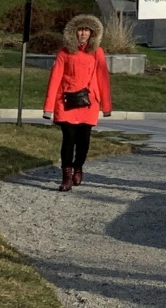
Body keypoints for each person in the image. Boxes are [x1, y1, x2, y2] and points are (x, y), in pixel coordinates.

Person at [42, 13, 113, 191]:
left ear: (92, 33)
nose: (83, 34)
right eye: (80, 30)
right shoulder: (64, 52)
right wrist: (48, 107)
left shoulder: (97, 52)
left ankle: (78, 167)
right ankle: (66, 176)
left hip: (89, 103)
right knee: (68, 139)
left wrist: (106, 105)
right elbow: (55, 79)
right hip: (66, 102)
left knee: (84, 141)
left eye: (86, 30)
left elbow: (103, 78)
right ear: (73, 32)